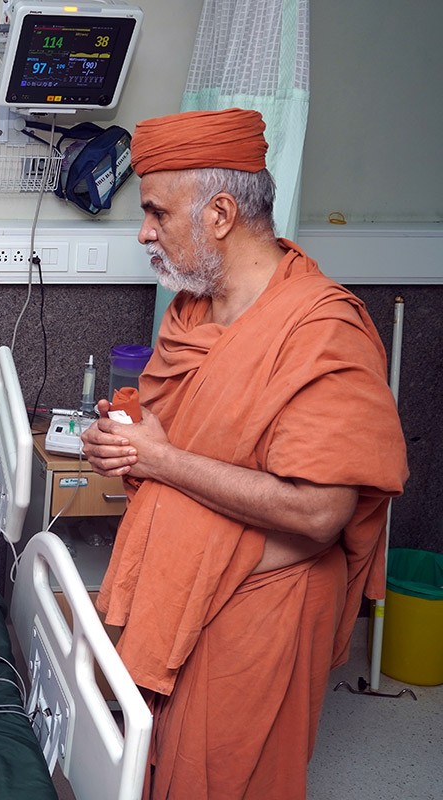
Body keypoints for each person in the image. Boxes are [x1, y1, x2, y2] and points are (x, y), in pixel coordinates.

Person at [80, 108, 407, 800]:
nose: (144, 232)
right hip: (186, 587)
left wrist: (160, 460)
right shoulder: (194, 311)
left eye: (157, 213)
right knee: (162, 764)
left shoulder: (322, 331)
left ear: (221, 213)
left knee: (227, 777)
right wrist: (127, 444)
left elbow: (320, 512)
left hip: (263, 605)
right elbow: (177, 434)